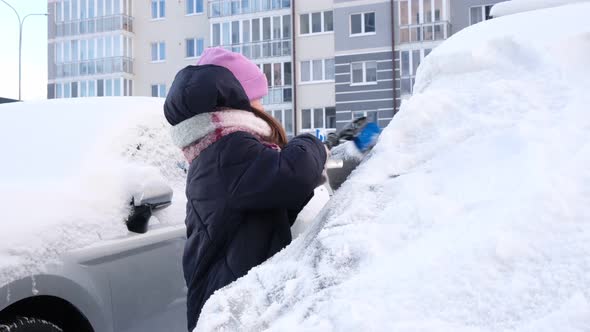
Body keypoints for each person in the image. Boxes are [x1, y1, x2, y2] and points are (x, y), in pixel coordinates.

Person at [163, 48, 327, 331]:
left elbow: (272, 201)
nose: (263, 108)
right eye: (257, 99)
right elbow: (295, 175)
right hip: (230, 304)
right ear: (235, 102)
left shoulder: (215, 148)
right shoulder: (230, 151)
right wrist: (312, 142)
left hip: (227, 293)